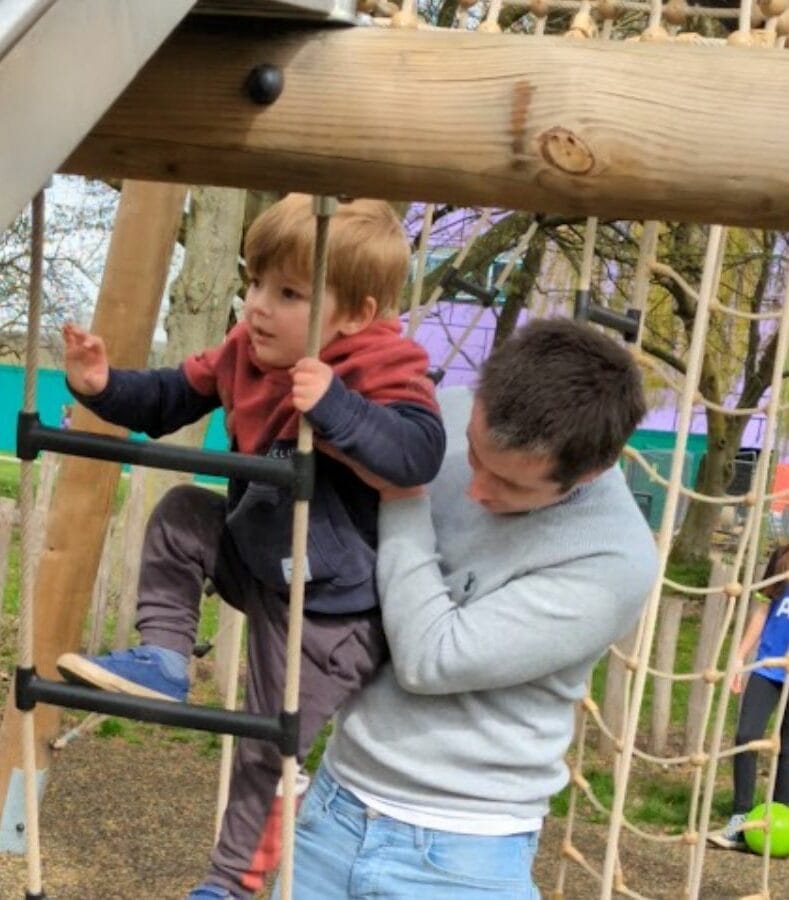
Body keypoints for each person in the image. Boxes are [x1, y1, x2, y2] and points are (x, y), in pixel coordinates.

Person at [55, 194, 446, 900]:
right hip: (259, 552)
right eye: (255, 282)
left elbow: (417, 454)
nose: (257, 306)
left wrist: (335, 406)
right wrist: (103, 387)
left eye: (288, 292)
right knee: (180, 514)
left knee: (268, 744)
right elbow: (174, 394)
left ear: (354, 313)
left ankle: (229, 886)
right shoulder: (249, 349)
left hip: (331, 610)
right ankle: (165, 657)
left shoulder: (380, 361)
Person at [277, 317, 659, 899]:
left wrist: (403, 493)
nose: (476, 489)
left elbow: (431, 659)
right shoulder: (445, 414)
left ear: (589, 474)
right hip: (333, 807)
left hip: (462, 855)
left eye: (510, 485)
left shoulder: (613, 560)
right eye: (475, 456)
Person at [709, 543, 789, 851]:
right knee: (747, 736)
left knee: (787, 749)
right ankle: (740, 818)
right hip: (767, 669)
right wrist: (740, 658)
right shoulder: (782, 556)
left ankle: (780, 820)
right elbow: (762, 611)